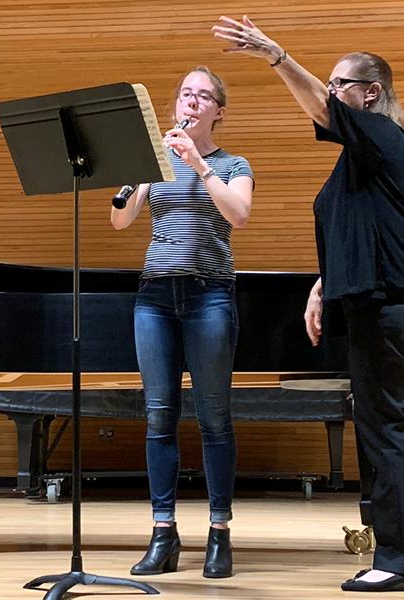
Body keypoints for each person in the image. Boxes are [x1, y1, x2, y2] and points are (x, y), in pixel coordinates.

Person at [213, 16, 404, 593]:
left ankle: (403, 561)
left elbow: (321, 111)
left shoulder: (383, 135)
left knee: (385, 425)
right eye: (332, 83)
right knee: (380, 425)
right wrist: (323, 283)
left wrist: (275, 54)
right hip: (370, 298)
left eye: (341, 84)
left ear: (371, 93)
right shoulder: (361, 159)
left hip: (389, 301)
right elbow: (361, 229)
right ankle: (402, 554)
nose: (331, 92)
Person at [112, 66, 254, 578]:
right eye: (185, 94)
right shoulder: (154, 163)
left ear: (219, 110)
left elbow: (238, 214)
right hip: (154, 296)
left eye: (203, 97)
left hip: (210, 296)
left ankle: (219, 533)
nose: (191, 102)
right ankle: (162, 533)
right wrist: (143, 171)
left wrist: (198, 162)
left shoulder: (234, 164)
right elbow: (120, 220)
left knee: (214, 417)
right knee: (158, 416)